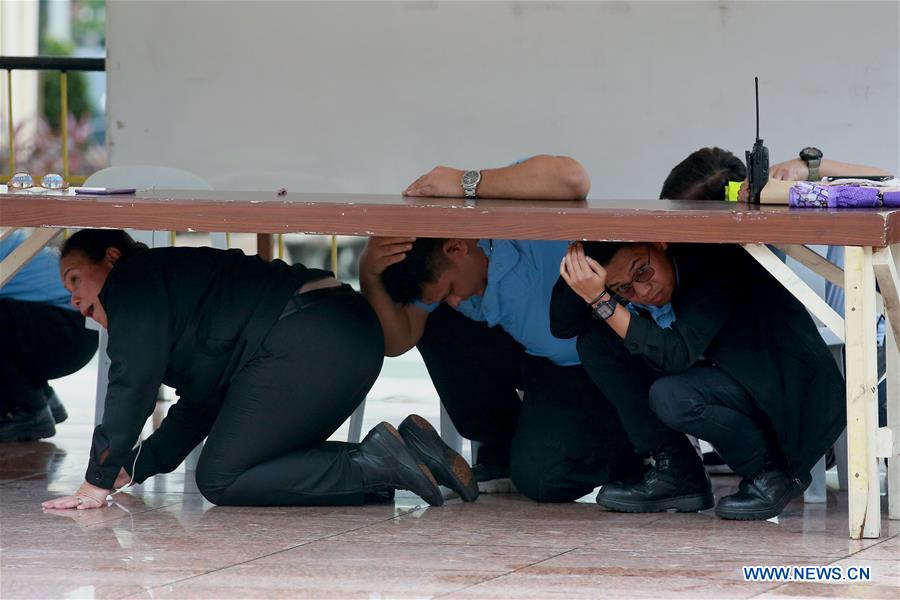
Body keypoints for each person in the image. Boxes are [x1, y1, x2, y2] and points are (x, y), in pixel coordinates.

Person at [41, 229, 475, 510]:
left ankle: (380, 463)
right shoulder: (171, 292)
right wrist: (135, 466)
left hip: (312, 338)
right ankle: (410, 453)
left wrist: (96, 480)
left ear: (112, 257)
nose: (74, 300)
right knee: (247, 464)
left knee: (222, 477)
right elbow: (202, 401)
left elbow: (131, 382)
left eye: (75, 279)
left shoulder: (131, 283)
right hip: (343, 337)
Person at [360, 155, 642, 502]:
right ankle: (502, 450)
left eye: (450, 290)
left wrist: (465, 182)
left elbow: (572, 178)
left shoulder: (510, 208)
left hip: (593, 367)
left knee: (543, 479)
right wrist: (369, 272)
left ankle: (645, 448)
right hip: (542, 363)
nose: (454, 301)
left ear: (456, 248)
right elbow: (397, 342)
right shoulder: (441, 276)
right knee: (440, 323)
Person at [550, 240, 846, 520]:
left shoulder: (712, 258)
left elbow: (675, 355)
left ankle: (772, 472)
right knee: (598, 343)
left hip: (783, 392)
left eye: (642, 271)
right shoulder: (646, 278)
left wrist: (601, 300)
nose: (642, 290)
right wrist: (581, 265)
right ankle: (678, 474)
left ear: (659, 242)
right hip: (722, 375)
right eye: (624, 288)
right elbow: (562, 325)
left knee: (673, 396)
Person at [1, 229, 98, 442]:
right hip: (77, 328)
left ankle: (25, 409)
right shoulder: (5, 235)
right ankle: (40, 396)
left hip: (68, 334)